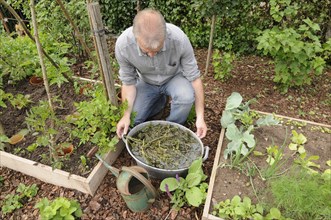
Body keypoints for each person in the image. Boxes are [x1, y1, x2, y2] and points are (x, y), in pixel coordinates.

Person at [115, 8, 207, 139]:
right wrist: (125, 115)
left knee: (185, 97)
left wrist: (200, 118)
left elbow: (195, 79)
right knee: (134, 120)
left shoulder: (179, 40)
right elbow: (128, 82)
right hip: (145, 81)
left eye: (157, 51)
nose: (152, 55)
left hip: (174, 77)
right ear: (136, 39)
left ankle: (172, 127)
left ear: (165, 35)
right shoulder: (123, 46)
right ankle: (159, 104)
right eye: (146, 52)